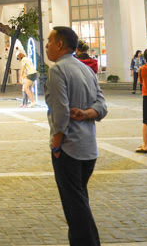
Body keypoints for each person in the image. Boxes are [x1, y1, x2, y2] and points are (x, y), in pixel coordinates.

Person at [46, 27, 108, 245]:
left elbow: (60, 111)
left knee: (75, 208)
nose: (46, 46)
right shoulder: (86, 70)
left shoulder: (57, 70)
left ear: (60, 45)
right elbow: (101, 105)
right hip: (89, 147)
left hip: (69, 148)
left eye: (49, 41)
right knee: (80, 200)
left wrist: (56, 144)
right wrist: (86, 113)